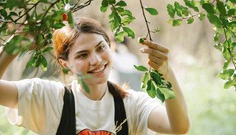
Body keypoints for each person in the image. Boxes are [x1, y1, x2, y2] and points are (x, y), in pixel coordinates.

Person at [0, 17, 190, 135]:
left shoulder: (132, 105)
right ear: (65, 65)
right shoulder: (49, 98)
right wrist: (12, 47)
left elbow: (178, 127)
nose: (96, 60)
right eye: (83, 55)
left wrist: (166, 72)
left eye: (101, 48)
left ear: (110, 47)